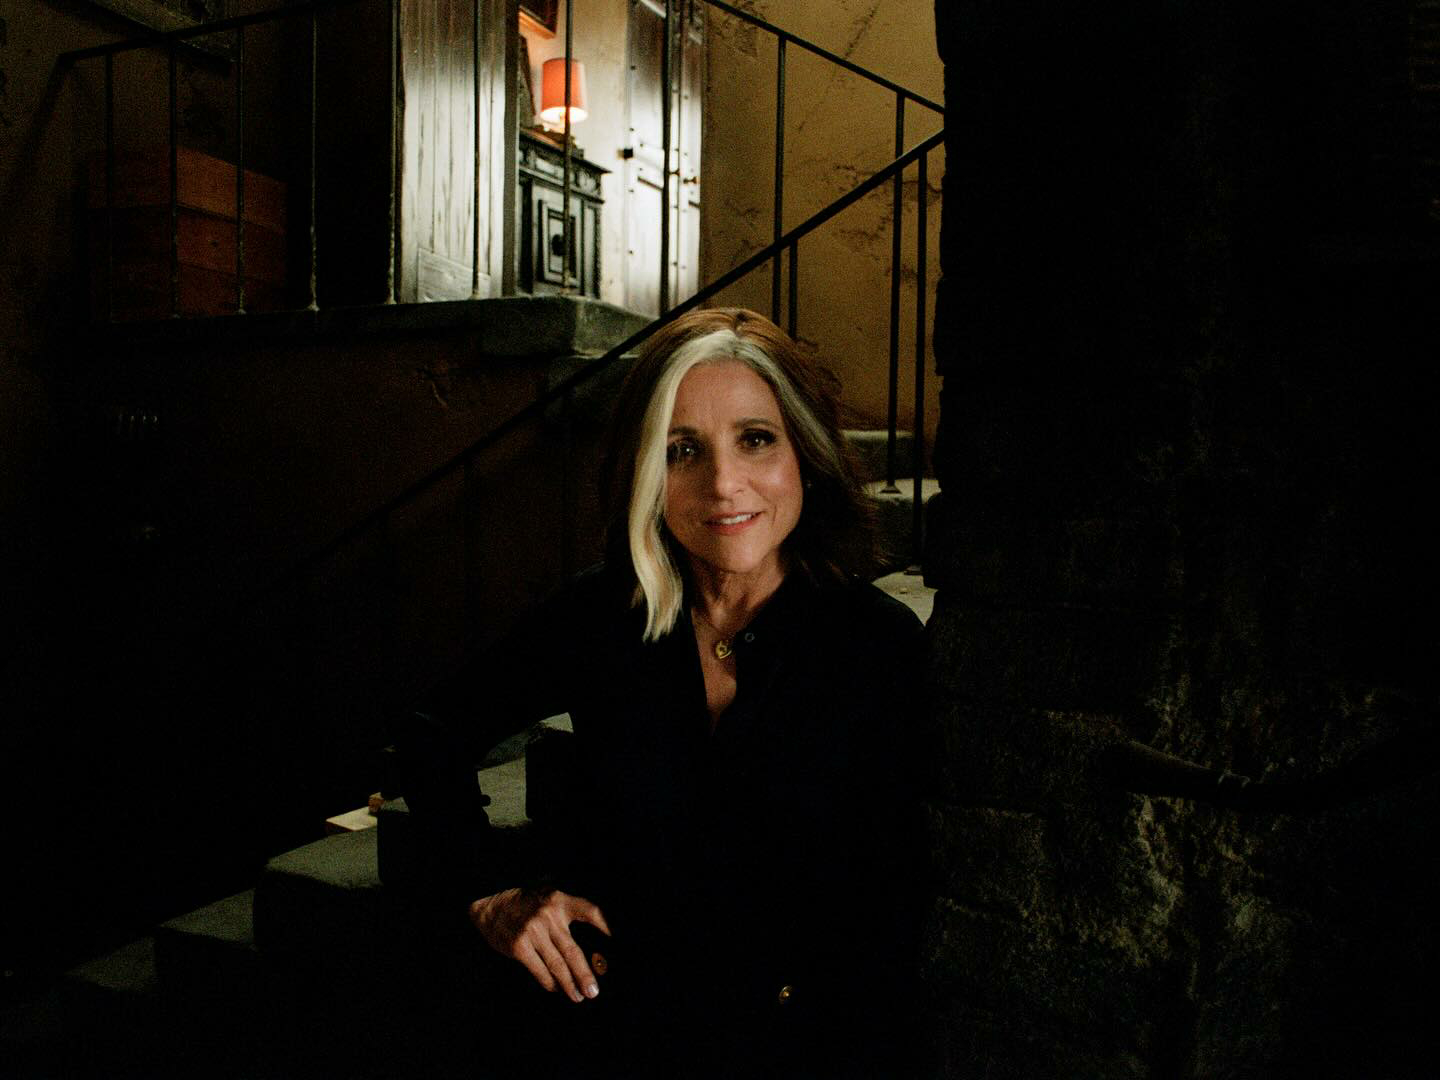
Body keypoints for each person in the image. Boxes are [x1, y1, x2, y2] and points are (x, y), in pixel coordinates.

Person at [398, 308, 930, 1078]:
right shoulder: (599, 615)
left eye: (756, 439)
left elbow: (893, 912)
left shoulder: (878, 647)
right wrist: (489, 891)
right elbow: (433, 729)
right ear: (646, 473)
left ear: (805, 456)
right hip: (605, 1035)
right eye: (682, 450)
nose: (722, 484)